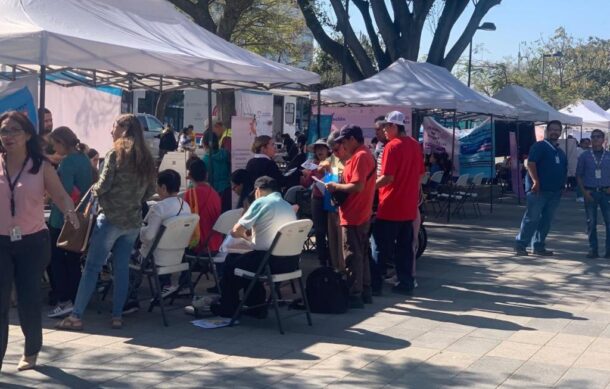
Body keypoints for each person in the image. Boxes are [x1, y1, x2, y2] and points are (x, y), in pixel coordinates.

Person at [56, 114, 156, 331]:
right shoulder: (146, 156)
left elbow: (103, 186)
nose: (111, 131)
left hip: (110, 218)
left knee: (92, 267)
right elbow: (151, 191)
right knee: (121, 269)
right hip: (133, 221)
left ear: (124, 128)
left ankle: (76, 315)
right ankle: (117, 316)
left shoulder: (115, 153)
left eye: (114, 127)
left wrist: (95, 189)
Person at [0, 111, 79, 372]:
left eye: (14, 131)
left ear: (28, 135)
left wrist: (71, 213)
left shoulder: (41, 166)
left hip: (33, 242)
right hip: (1, 241)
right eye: (4, 131)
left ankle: (31, 349)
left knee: (28, 299)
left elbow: (60, 195)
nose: (8, 136)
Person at [210, 176, 297, 318]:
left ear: (258, 191)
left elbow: (235, 230)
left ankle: (228, 307)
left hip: (268, 262)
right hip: (290, 263)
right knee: (247, 262)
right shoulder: (287, 206)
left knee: (232, 262)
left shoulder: (261, 202)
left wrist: (247, 237)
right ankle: (255, 305)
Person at [373, 111, 424, 295]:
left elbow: (387, 177)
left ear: (394, 126)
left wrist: (369, 188)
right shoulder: (415, 145)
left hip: (390, 206)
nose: (384, 130)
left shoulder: (391, 147)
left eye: (386, 126)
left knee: (380, 247)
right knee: (405, 249)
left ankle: (375, 284)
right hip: (408, 207)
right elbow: (420, 174)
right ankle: (406, 282)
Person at [325, 125, 376, 308]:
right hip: (358, 212)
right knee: (360, 254)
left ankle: (355, 293)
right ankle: (364, 290)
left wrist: (335, 187)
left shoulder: (360, 156)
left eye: (344, 142)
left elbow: (358, 186)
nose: (343, 146)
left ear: (353, 139)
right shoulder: (362, 155)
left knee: (352, 255)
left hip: (355, 213)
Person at [47, 127, 94, 319]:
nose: (54, 149)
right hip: (81, 217)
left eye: (55, 144)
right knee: (73, 260)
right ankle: (75, 299)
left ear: (62, 142)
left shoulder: (67, 164)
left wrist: (48, 195)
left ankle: (63, 299)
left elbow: (62, 192)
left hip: (62, 219)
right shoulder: (84, 159)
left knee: (57, 260)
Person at [515, 120, 567, 256]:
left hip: (555, 192)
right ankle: (521, 244)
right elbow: (531, 164)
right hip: (538, 191)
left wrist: (562, 186)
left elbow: (563, 169)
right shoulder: (540, 146)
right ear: (547, 131)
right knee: (532, 218)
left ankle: (538, 246)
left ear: (560, 133)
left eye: (557, 130)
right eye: (552, 129)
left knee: (546, 221)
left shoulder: (559, 151)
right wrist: (535, 181)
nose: (554, 132)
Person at [576, 129, 610, 258]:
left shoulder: (608, 155)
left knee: (609, 222)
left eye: (598, 137)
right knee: (591, 222)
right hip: (590, 192)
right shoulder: (585, 156)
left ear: (603, 139)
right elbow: (578, 175)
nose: (595, 139)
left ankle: (608, 251)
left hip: (606, 193)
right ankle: (593, 249)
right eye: (593, 137)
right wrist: (583, 192)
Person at [301, 138, 331, 266]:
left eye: (322, 148)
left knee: (331, 230)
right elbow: (306, 183)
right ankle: (322, 259)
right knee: (319, 230)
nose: (320, 151)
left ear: (328, 150)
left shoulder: (333, 162)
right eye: (317, 148)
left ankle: (332, 256)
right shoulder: (311, 164)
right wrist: (304, 176)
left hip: (330, 199)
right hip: (317, 199)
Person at [320, 131, 346, 271]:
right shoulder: (333, 157)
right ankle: (336, 267)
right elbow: (325, 162)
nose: (334, 153)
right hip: (332, 203)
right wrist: (324, 165)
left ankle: (343, 268)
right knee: (333, 238)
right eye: (332, 150)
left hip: (345, 205)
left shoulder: (351, 157)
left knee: (343, 240)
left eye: (336, 149)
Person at [202, 131, 231, 212]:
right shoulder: (226, 154)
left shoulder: (205, 160)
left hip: (212, 193)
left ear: (204, 144)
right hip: (227, 191)